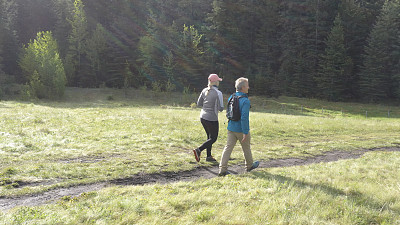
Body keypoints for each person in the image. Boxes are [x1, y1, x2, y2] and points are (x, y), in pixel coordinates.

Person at [218, 77, 259, 176]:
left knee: (228, 148)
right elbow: (244, 118)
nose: (249, 87)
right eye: (247, 85)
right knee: (246, 148)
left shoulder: (231, 97)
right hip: (241, 129)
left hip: (231, 127)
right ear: (243, 87)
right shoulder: (245, 100)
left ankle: (222, 169)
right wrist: (245, 132)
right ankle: (249, 166)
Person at [193, 74, 224, 162]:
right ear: (215, 82)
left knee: (209, 137)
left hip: (203, 117)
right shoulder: (218, 93)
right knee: (213, 138)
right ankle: (198, 150)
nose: (219, 82)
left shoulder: (204, 90)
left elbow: (199, 103)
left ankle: (209, 156)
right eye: (218, 81)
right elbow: (221, 108)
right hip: (212, 118)